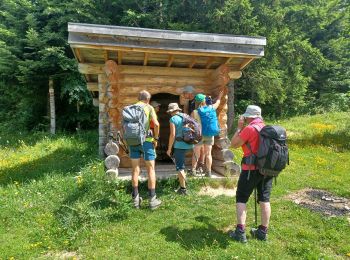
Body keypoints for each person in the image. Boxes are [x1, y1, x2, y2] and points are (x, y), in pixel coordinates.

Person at [229, 105, 273, 242]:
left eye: (246, 116)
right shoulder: (267, 128)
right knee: (264, 199)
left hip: (250, 169)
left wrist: (239, 127)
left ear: (249, 117)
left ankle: (240, 232)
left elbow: (234, 144)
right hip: (267, 169)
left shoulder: (249, 129)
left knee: (241, 198)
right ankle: (262, 232)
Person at [129, 90, 162, 210]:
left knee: (135, 170)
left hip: (133, 141)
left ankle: (135, 200)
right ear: (148, 99)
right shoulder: (149, 108)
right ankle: (152, 200)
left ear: (138, 98)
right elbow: (156, 124)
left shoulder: (131, 108)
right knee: (151, 169)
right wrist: (156, 139)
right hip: (147, 142)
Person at [191, 91, 223, 177]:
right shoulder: (212, 108)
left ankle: (193, 171)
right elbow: (218, 102)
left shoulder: (195, 112)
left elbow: (191, 124)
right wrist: (220, 95)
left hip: (199, 135)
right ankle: (208, 172)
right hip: (209, 134)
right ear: (204, 100)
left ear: (196, 102)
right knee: (208, 154)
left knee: (196, 153)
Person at [166, 103, 194, 195]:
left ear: (171, 111)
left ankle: (183, 189)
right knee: (182, 165)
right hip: (189, 144)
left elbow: (172, 135)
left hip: (179, 146)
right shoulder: (186, 116)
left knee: (180, 167)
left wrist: (169, 149)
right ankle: (182, 185)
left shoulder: (173, 119)